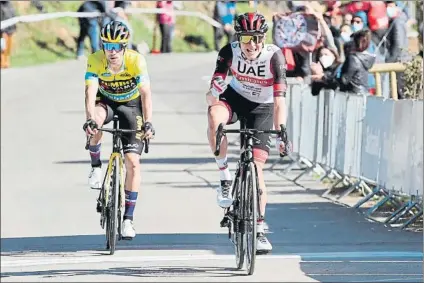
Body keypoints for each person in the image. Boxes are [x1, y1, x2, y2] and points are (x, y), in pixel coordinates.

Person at [206, 12, 292, 253]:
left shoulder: (275, 57)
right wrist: (213, 92)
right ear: (238, 38)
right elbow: (210, 96)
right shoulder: (228, 52)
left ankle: (260, 227)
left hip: (263, 107)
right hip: (235, 97)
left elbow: (279, 102)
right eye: (246, 38)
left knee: (256, 167)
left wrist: (281, 132)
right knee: (214, 116)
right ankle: (224, 176)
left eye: (256, 38)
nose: (251, 44)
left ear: (263, 38)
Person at [83, 21, 155, 239]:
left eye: (116, 47)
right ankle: (96, 167)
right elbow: (90, 91)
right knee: (95, 120)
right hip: (106, 102)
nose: (111, 51)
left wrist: (149, 121)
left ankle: (128, 220)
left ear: (124, 47)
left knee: (133, 162)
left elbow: (145, 94)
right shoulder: (95, 59)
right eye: (107, 46)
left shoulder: (135, 61)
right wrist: (89, 119)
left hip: (131, 106)